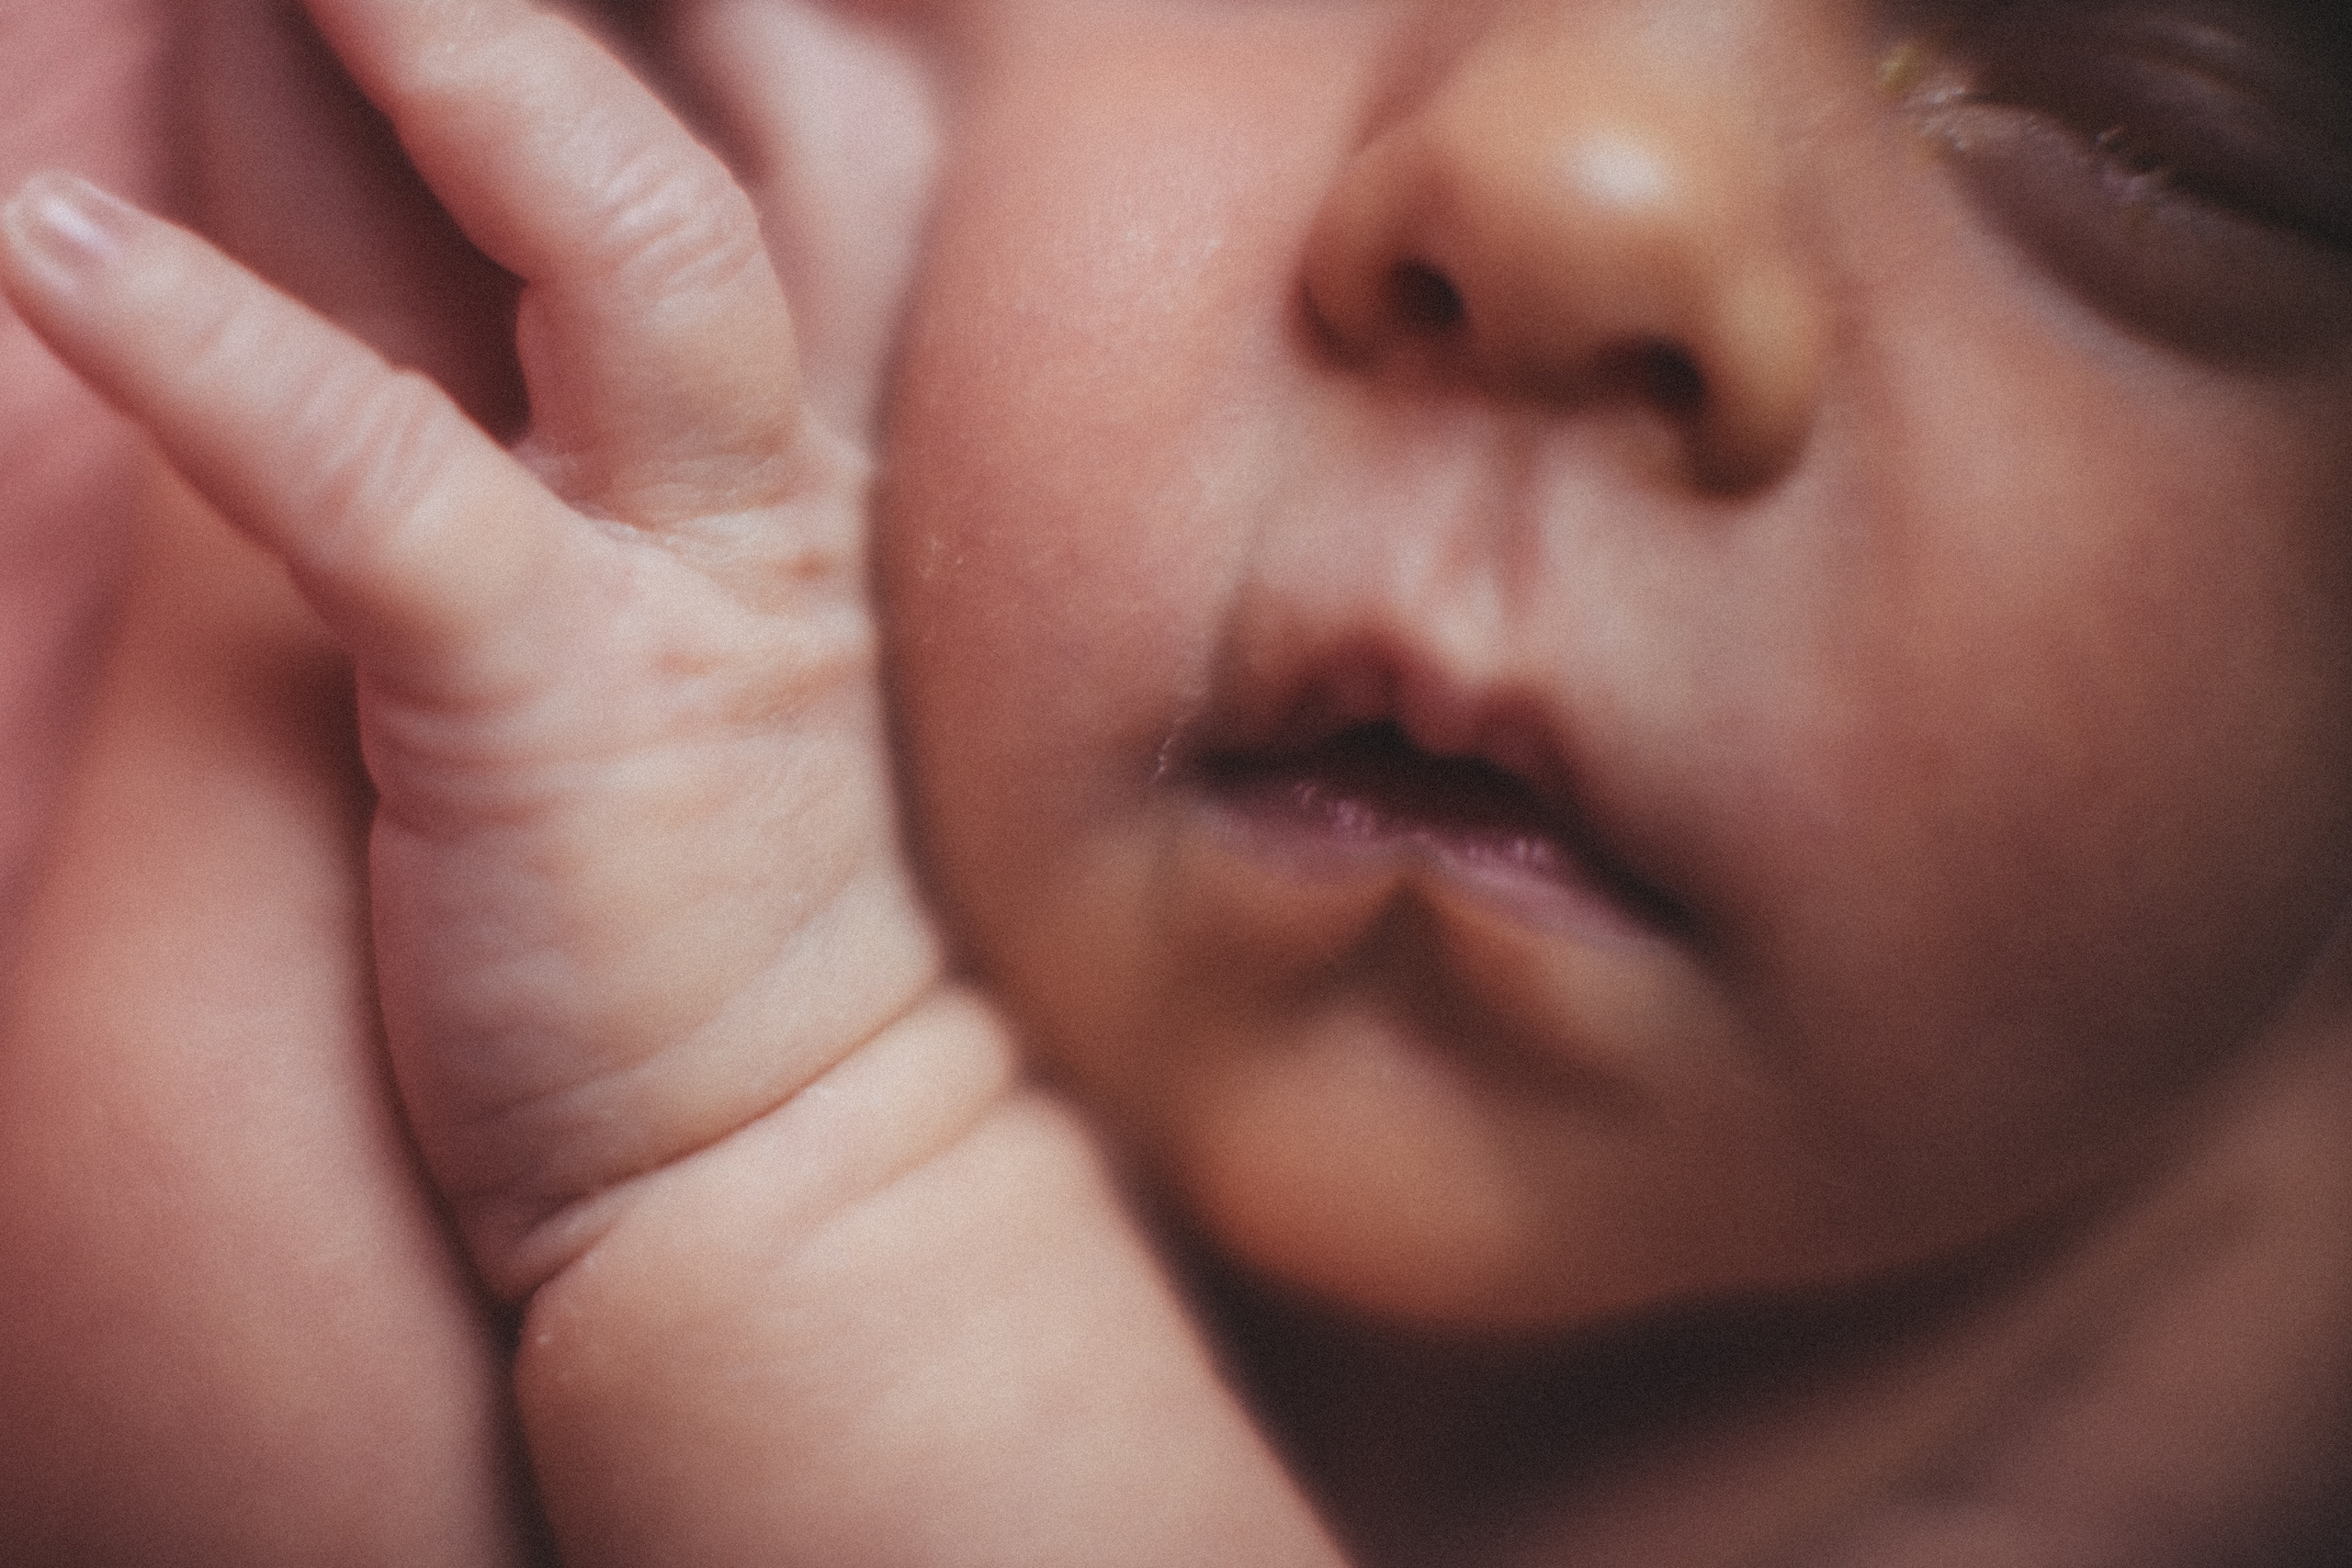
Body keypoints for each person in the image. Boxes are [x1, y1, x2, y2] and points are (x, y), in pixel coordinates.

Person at [4, 0, 2351, 1562]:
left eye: (2153, 104)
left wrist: (786, 1143)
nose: (1574, 185)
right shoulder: (643, 564)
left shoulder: (2255, 1359)